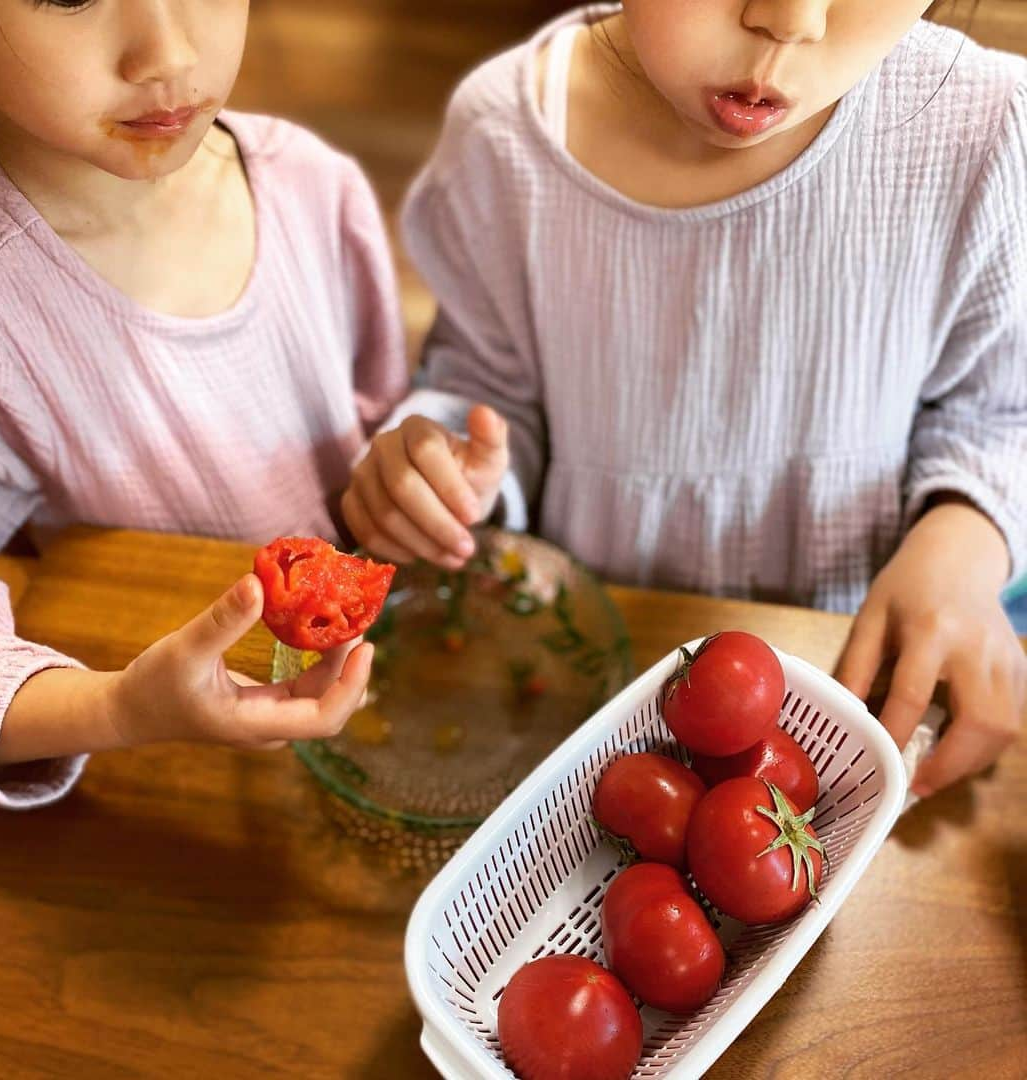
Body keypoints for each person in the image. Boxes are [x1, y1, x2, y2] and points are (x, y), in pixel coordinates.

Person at [343, 1, 1027, 798]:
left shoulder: (988, 129)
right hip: (598, 689)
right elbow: (491, 388)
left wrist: (963, 543)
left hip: (854, 701)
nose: (793, 21)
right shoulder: (507, 133)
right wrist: (451, 467)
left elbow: (1001, 411)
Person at [0, 0, 407, 810]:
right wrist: (121, 709)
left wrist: (412, 466)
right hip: (178, 786)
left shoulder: (310, 181)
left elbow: (379, 417)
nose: (166, 51)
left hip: (379, 710)